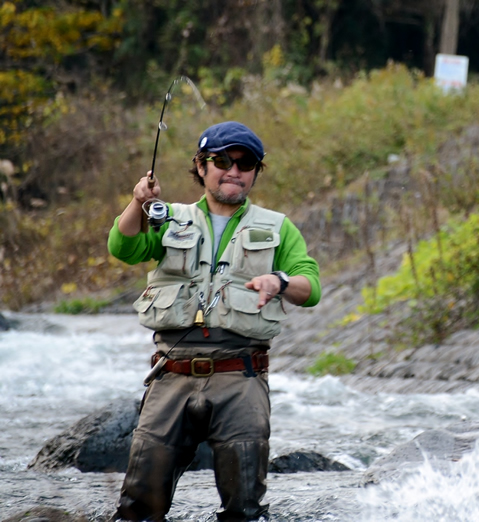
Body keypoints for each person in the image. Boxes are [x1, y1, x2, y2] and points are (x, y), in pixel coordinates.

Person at [107, 121, 321, 521]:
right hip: (170, 375)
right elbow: (124, 247)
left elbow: (311, 287)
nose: (233, 170)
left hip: (241, 377)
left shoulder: (279, 227)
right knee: (137, 509)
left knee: (245, 510)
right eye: (221, 160)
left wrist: (280, 280)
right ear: (200, 166)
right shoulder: (167, 217)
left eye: (245, 162)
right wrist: (137, 203)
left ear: (256, 170)